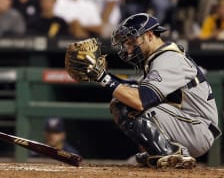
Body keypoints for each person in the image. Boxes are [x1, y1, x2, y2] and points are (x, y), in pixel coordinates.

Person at [87, 13, 220, 168]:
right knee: (124, 98)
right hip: (187, 123)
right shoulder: (157, 58)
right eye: (127, 43)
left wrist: (103, 78)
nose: (129, 48)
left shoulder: (168, 59)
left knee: (127, 106)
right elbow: (132, 89)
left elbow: (140, 100)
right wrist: (102, 75)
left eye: (132, 41)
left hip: (197, 129)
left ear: (149, 35)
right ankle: (167, 151)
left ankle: (170, 152)